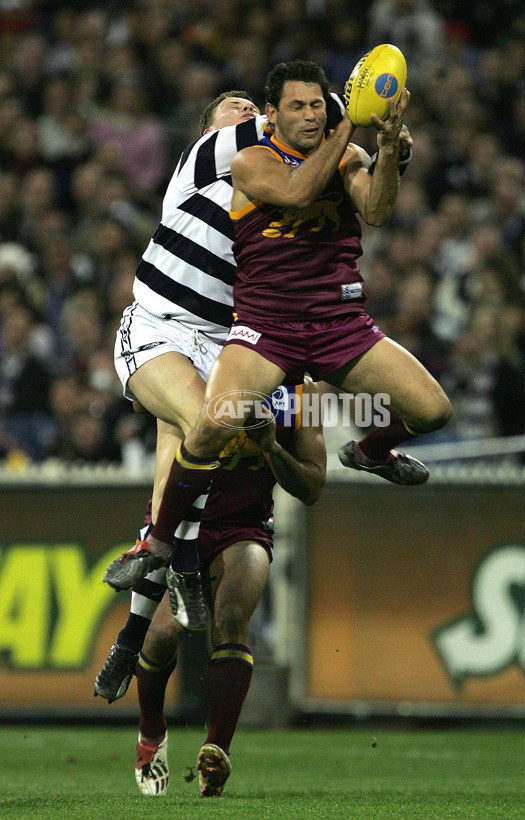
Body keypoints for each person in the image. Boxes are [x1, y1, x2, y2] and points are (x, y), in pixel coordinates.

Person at [104, 60, 452, 619]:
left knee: (434, 410)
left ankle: (370, 451)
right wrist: (352, 117)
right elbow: (295, 192)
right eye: (298, 106)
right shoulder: (242, 159)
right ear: (271, 116)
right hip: (256, 328)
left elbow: (380, 209)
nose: (311, 115)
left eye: (317, 104)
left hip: (335, 322)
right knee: (210, 423)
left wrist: (389, 152)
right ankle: (161, 544)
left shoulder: (343, 155)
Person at [104, 377, 327, 799]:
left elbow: (313, 485)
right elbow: (139, 400)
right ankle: (152, 729)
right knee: (164, 634)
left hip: (245, 526)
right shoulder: (198, 363)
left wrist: (272, 448)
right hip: (181, 521)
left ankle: (217, 750)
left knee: (230, 617)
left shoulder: (306, 394)